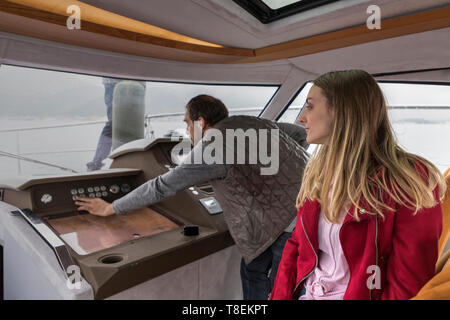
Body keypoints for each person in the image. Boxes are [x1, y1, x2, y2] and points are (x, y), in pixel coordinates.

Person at [75, 94, 309, 300]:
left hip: (288, 225)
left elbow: (161, 186)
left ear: (201, 122)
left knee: (282, 288)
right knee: (253, 269)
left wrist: (112, 208)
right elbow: (300, 135)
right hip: (305, 208)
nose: (188, 130)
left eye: (187, 123)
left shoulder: (214, 146)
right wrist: (270, 174)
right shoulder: (253, 123)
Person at [270, 70, 447, 300]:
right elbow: (297, 244)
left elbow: (407, 285)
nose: (302, 117)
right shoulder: (318, 172)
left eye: (310, 106)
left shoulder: (408, 179)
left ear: (342, 112)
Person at [86, 77, 146, 171]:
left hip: (131, 80)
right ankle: (98, 162)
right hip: (120, 80)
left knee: (133, 122)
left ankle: (98, 162)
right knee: (115, 121)